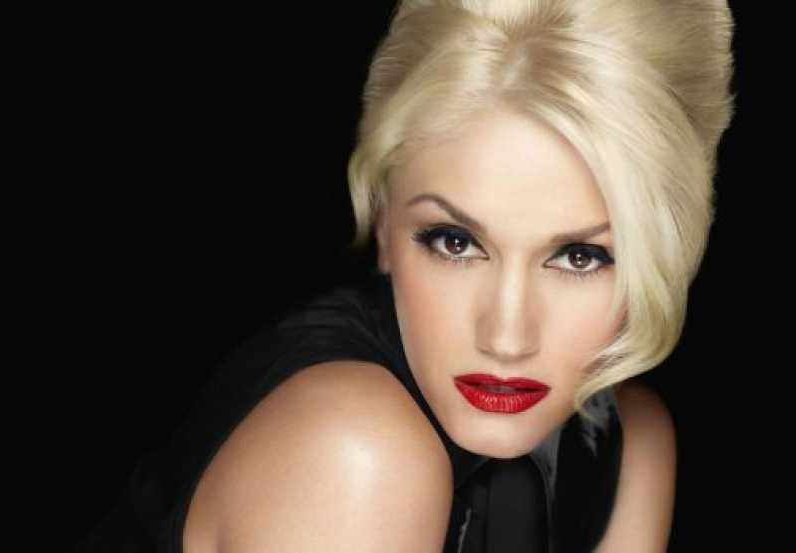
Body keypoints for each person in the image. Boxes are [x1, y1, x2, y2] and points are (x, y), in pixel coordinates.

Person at [77, 0, 734, 551]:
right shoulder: (355, 454)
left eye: (580, 257)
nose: (506, 336)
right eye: (455, 241)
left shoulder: (630, 444)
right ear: (385, 220)